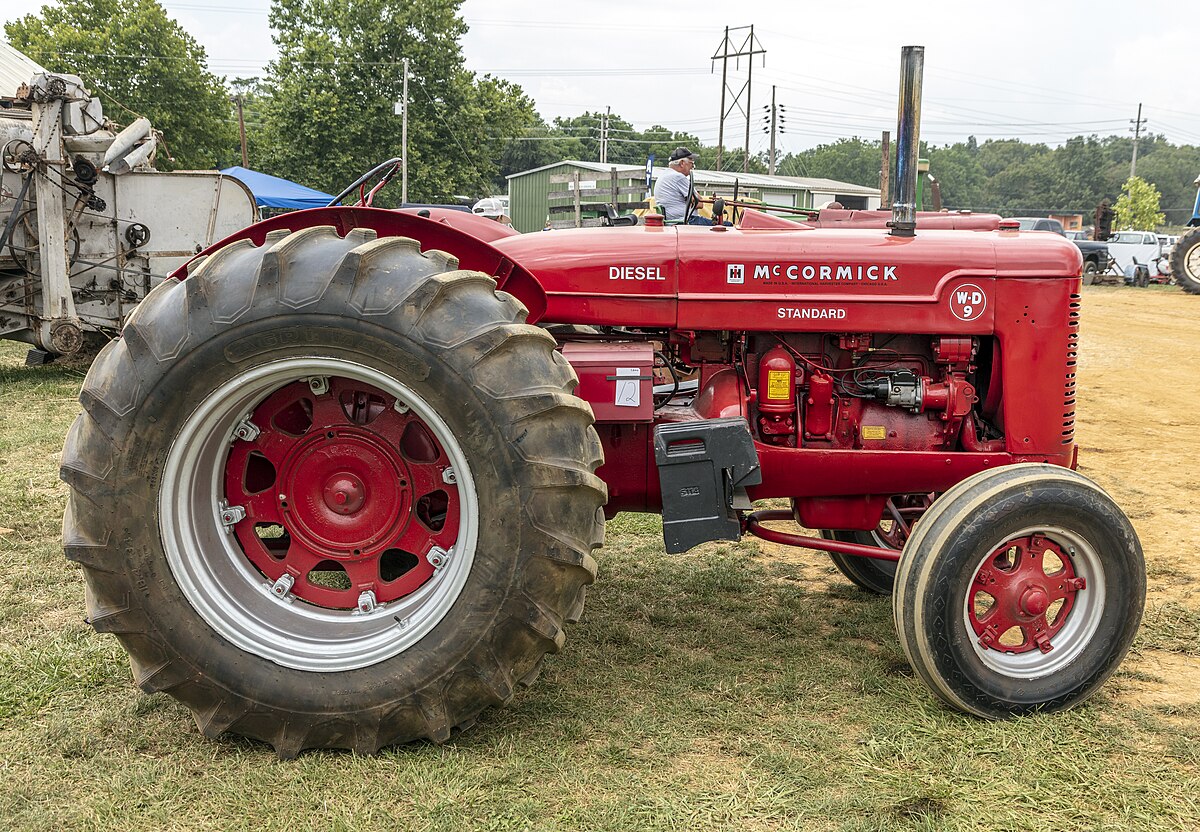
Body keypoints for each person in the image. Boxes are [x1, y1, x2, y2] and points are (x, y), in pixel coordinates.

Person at [653, 147, 727, 225]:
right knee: (727, 226)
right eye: (691, 163)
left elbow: (694, 201)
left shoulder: (664, 175)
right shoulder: (678, 177)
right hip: (686, 221)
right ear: (682, 163)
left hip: (672, 220)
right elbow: (699, 203)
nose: (692, 167)